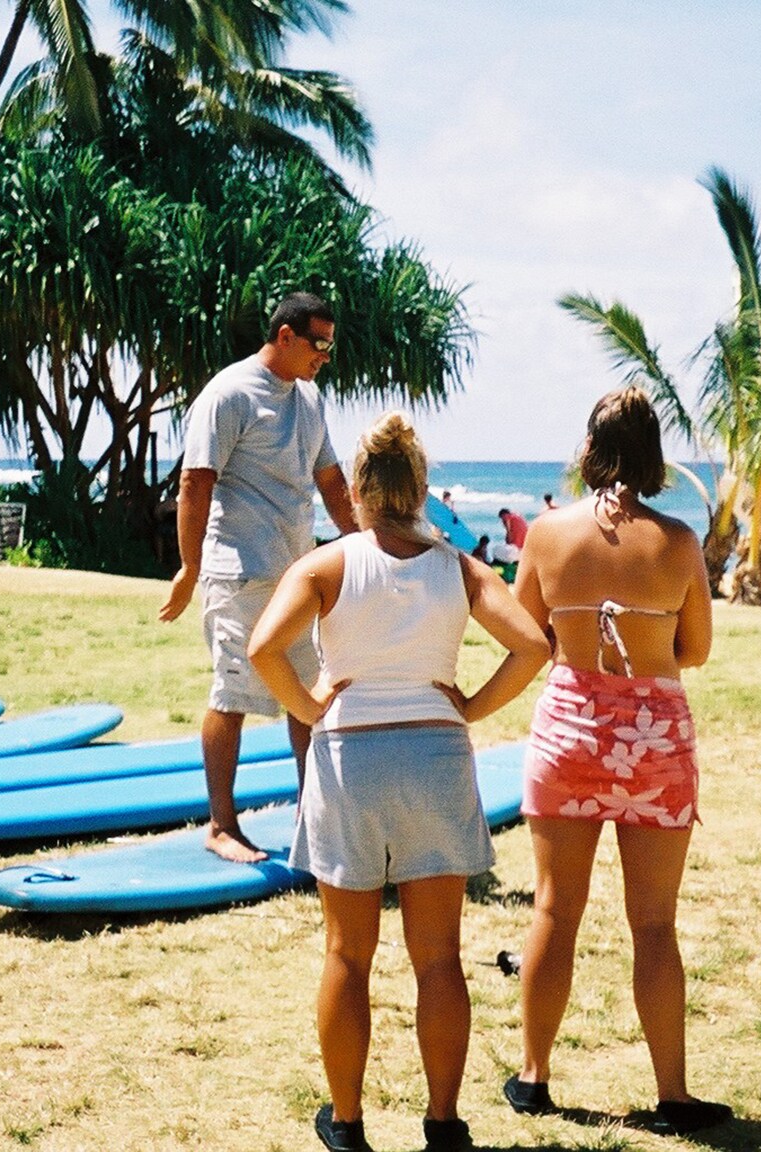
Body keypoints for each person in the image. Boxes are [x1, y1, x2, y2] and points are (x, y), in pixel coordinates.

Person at [249, 413, 550, 1152]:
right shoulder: (458, 567)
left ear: (356, 491)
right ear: (421, 492)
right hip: (436, 758)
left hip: (351, 759)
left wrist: (312, 708)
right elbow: (532, 645)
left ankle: (348, 1123)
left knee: (347, 954)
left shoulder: (326, 566)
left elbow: (263, 649)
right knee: (439, 957)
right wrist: (469, 705)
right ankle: (443, 1123)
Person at [502, 388, 731, 1134]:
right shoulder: (679, 541)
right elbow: (695, 649)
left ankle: (533, 1077)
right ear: (654, 453)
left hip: (569, 731)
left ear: (590, 449)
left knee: (553, 910)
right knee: (655, 924)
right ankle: (673, 1095)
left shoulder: (547, 534)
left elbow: (525, 635)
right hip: (655, 740)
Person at [159, 292, 358, 863]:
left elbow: (331, 481)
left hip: (297, 574)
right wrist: (190, 568)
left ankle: (311, 813)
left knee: (307, 695)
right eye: (318, 344)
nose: (325, 356)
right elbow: (195, 482)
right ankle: (221, 825)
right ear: (285, 336)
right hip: (238, 573)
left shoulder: (310, 399)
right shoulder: (229, 394)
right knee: (232, 696)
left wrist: (367, 542)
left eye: (330, 346)